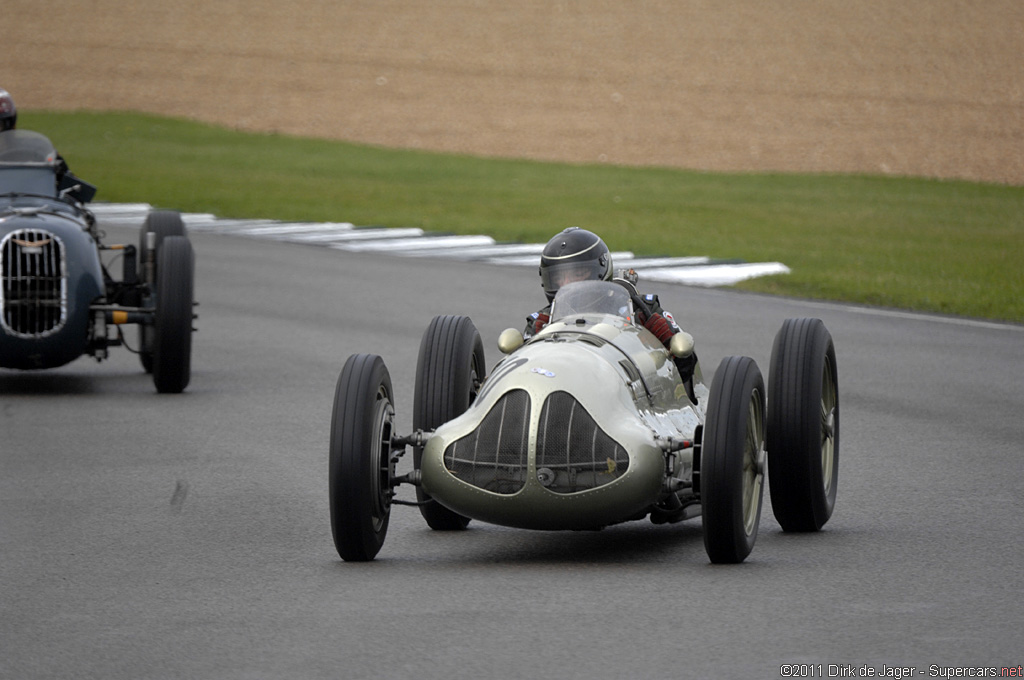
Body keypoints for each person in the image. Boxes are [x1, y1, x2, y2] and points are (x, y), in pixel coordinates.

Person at [523, 227, 698, 394]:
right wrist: (532, 344)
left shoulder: (641, 309)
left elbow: (687, 370)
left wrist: (666, 341)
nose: (568, 283)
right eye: (559, 277)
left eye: (577, 274)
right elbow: (527, 375)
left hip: (628, 395)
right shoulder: (542, 322)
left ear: (601, 270)